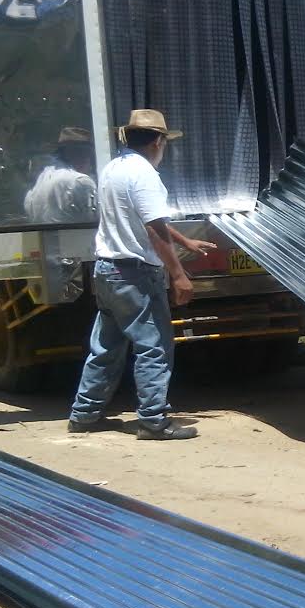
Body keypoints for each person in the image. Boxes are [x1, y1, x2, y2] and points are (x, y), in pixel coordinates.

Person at [67, 109, 216, 441]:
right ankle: (153, 420)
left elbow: (148, 221)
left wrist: (183, 240)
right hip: (135, 273)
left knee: (106, 347)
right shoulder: (145, 174)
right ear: (158, 141)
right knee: (155, 346)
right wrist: (177, 274)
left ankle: (84, 414)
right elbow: (152, 229)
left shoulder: (113, 169)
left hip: (107, 270)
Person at [24, 127, 97, 225]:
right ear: (84, 156)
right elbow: (96, 223)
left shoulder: (43, 176)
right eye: (88, 155)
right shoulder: (81, 181)